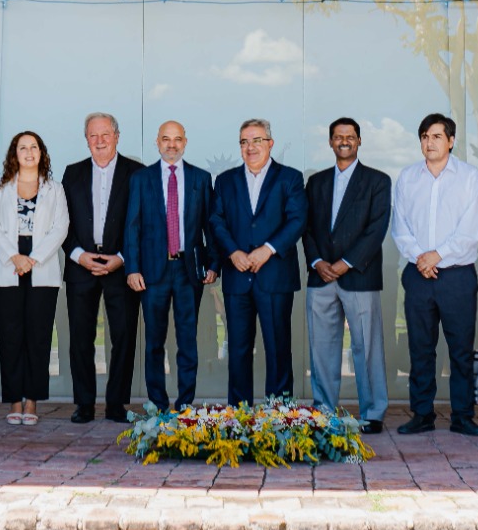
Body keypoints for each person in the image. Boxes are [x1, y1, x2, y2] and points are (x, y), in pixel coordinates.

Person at [390, 112, 478, 436]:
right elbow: (399, 225)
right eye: (424, 137)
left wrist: (438, 254)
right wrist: (421, 258)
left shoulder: (470, 177)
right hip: (418, 275)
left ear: (451, 141)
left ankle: (462, 416)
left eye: (435, 136)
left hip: (457, 275)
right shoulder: (407, 177)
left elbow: (471, 229)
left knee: (460, 350)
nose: (429, 142)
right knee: (420, 348)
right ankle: (422, 414)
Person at [209, 118, 307, 406]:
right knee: (237, 349)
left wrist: (268, 249)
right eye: (244, 141)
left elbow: (297, 219)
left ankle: (279, 415)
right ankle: (239, 414)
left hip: (274, 275)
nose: (250, 147)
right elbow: (216, 220)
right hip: (237, 277)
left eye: (257, 140)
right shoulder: (225, 181)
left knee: (277, 348)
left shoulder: (289, 177)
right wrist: (233, 252)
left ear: (270, 143)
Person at [303, 118, 392, 432]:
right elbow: (307, 226)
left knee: (365, 347)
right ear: (330, 142)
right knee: (322, 347)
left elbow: (376, 229)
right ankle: (324, 410)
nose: (344, 141)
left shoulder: (378, 181)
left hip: (359, 276)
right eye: (338, 137)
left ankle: (372, 412)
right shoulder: (316, 182)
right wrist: (316, 261)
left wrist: (346, 262)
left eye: (350, 137)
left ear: (359, 141)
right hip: (321, 277)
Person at [125, 120, 216, 411]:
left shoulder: (201, 178)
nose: (172, 144)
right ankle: (158, 403)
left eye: (177, 139)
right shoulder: (141, 178)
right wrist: (132, 268)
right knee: (154, 341)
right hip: (152, 272)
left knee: (187, 341)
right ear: (157, 141)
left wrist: (213, 263)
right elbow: (132, 227)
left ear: (185, 142)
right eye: (166, 139)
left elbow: (209, 226)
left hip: (189, 271)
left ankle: (186, 403)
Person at [61, 113, 144, 424]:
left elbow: (143, 222)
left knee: (123, 337)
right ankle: (84, 404)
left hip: (121, 265)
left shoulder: (136, 173)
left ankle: (116, 404)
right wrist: (78, 255)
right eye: (93, 136)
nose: (99, 141)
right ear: (86, 139)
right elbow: (60, 223)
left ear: (117, 137)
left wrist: (122, 257)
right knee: (81, 338)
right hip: (81, 265)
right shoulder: (72, 173)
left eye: (105, 134)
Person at [0, 131, 69, 425]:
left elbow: (61, 227)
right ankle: (14, 401)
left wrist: (33, 258)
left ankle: (32, 402)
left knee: (38, 337)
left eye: (34, 147)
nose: (29, 152)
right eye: (23, 147)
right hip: (8, 264)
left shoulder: (54, 188)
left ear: (42, 153)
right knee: (10, 338)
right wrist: (16, 257)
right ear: (14, 154)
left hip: (41, 266)